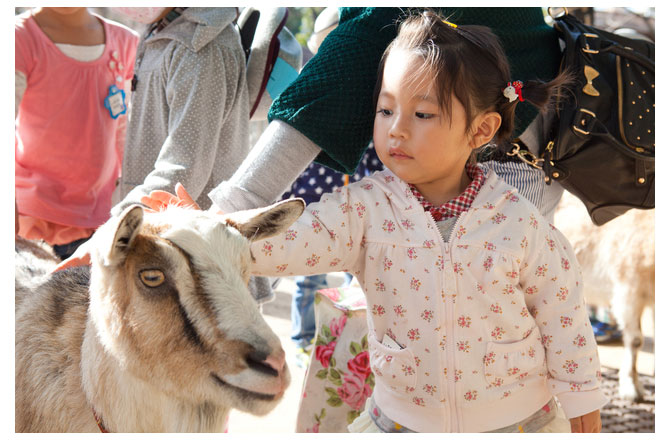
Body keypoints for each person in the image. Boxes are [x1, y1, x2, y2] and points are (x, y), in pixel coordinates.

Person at [148, 11, 608, 432]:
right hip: (402, 421)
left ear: (481, 130)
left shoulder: (518, 220)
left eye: (422, 114)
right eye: (386, 109)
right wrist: (205, 231)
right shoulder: (362, 210)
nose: (396, 129)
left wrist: (584, 402)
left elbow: (562, 315)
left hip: (518, 421)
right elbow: (284, 243)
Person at [15, 7, 138, 259]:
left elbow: (124, 127)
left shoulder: (126, 42)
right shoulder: (19, 37)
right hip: (33, 220)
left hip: (103, 219)